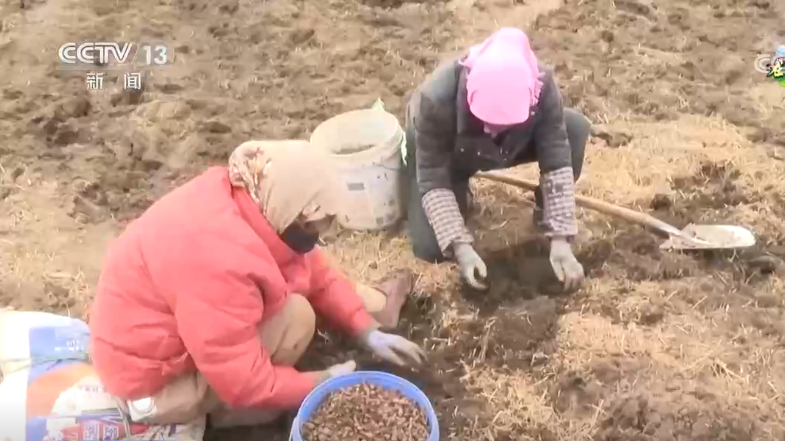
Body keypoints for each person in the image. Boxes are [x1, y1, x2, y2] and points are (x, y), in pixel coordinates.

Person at [88, 140, 426, 434]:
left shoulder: (256, 199)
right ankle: (223, 415)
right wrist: (324, 381)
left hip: (175, 333)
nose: (324, 233)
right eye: (318, 225)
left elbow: (313, 269)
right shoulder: (216, 262)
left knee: (295, 314)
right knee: (295, 321)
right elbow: (245, 382)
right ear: (297, 216)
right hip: (152, 382)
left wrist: (366, 330)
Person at [404, 27, 589, 292]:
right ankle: (435, 182)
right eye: (486, 120)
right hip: (449, 155)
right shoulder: (435, 100)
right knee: (430, 248)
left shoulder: (541, 86)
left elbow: (557, 155)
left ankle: (544, 209)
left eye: (501, 123)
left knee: (575, 129)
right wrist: (461, 246)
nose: (492, 129)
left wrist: (561, 237)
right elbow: (433, 176)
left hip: (509, 147)